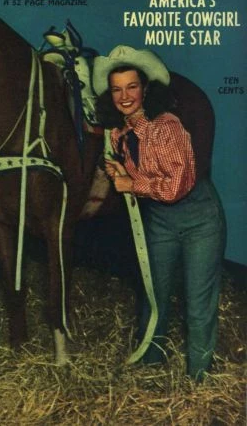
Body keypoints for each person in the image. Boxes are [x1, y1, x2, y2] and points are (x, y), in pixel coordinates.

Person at [93, 45, 226, 382]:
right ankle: (150, 368)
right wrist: (120, 170)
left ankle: (199, 379)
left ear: (146, 89)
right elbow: (145, 174)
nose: (125, 97)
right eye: (117, 89)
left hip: (200, 219)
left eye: (132, 87)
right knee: (154, 297)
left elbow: (176, 185)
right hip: (159, 222)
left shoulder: (167, 126)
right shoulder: (117, 134)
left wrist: (130, 183)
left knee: (197, 304)